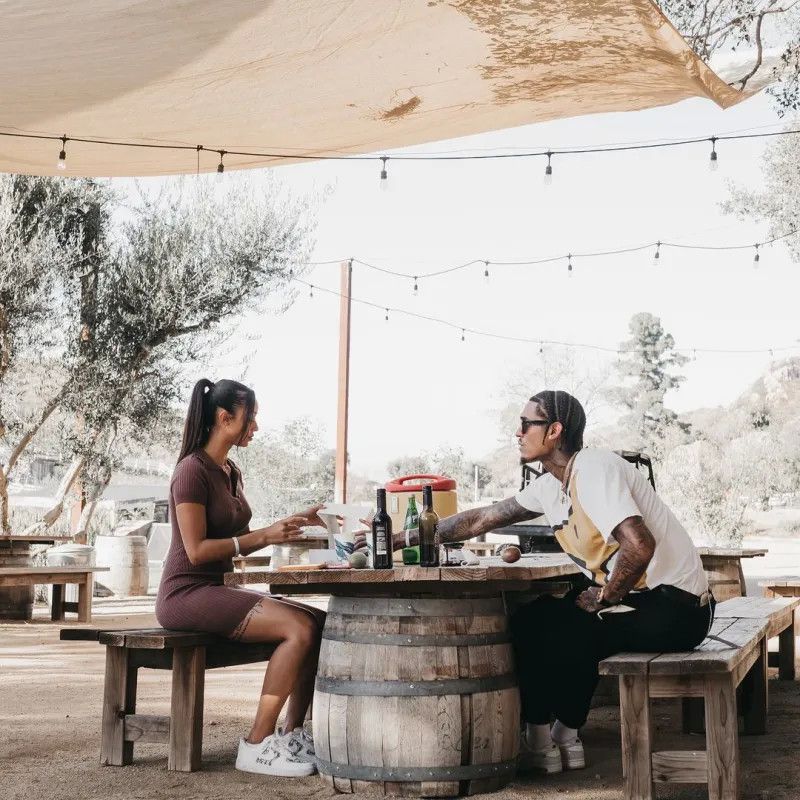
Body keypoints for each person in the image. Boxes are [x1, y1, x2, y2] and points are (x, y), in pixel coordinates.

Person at [429, 389, 713, 774]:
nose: (518, 432)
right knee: (548, 618)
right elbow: (481, 519)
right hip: (653, 604)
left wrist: (606, 596)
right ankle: (559, 737)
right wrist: (407, 536)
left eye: (527, 423)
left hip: (678, 610)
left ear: (554, 431)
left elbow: (640, 545)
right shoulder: (551, 485)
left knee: (562, 623)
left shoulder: (594, 468)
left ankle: (548, 739)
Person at [156, 378, 328, 777]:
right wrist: (263, 536)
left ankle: (289, 734)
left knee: (318, 623)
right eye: (252, 418)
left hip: (213, 589)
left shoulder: (229, 471)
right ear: (224, 418)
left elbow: (240, 538)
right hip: (185, 594)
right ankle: (255, 745)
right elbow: (196, 550)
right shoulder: (191, 471)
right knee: (299, 628)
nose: (256, 426)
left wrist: (299, 519)